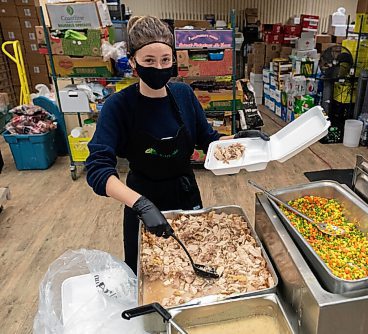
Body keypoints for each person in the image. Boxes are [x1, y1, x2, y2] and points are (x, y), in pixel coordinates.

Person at [85, 16, 268, 273]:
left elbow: (208, 139)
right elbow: (97, 168)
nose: (158, 68)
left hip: (185, 194)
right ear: (134, 60)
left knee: (192, 265)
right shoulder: (119, 106)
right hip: (141, 200)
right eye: (149, 61)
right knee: (149, 272)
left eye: (165, 60)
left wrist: (241, 141)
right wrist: (140, 205)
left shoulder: (183, 94)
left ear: (173, 60)